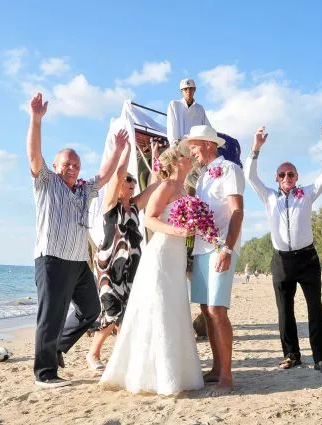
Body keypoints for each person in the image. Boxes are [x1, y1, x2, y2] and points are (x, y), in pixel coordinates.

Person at [27, 92, 127, 388]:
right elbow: (34, 155)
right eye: (67, 164)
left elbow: (105, 175)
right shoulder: (46, 183)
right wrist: (36, 119)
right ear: (56, 166)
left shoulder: (83, 190)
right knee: (50, 317)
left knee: (92, 310)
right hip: (52, 259)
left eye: (76, 165)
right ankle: (44, 374)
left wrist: (119, 149)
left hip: (78, 262)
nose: (72, 168)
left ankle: (57, 347)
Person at [100, 147, 203, 395]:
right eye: (184, 154)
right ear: (176, 162)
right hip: (162, 254)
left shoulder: (186, 190)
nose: (189, 156)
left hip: (177, 256)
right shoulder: (165, 186)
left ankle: (176, 371)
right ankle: (153, 375)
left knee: (175, 307)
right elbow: (150, 220)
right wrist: (180, 231)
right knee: (160, 307)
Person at [244, 125, 322, 374]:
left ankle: (321, 358)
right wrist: (256, 148)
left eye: (291, 174)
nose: (287, 178)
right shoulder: (269, 198)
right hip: (281, 261)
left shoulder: (306, 194)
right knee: (285, 311)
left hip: (307, 259)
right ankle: (291, 355)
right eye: (282, 174)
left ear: (297, 177)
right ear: (276, 178)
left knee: (315, 308)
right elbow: (251, 177)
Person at [85, 139, 161, 371]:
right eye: (128, 181)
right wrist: (126, 150)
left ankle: (120, 358)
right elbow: (117, 175)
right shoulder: (110, 207)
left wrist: (155, 157)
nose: (131, 185)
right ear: (118, 187)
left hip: (131, 269)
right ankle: (93, 354)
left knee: (127, 314)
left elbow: (155, 186)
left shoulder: (135, 207)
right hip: (109, 269)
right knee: (111, 310)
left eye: (133, 182)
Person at [182, 125, 245, 396]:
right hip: (200, 250)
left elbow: (237, 211)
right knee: (206, 310)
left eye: (194, 147)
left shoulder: (229, 169)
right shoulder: (204, 175)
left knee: (218, 311)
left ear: (208, 144)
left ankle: (227, 378)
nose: (192, 152)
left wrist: (227, 250)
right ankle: (217, 368)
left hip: (220, 249)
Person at [167, 78, 211, 146]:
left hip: (196, 146)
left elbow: (207, 127)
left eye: (191, 88)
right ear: (181, 91)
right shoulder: (174, 104)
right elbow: (171, 125)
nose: (188, 91)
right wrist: (174, 145)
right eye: (185, 89)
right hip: (180, 145)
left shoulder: (200, 108)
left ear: (194, 90)